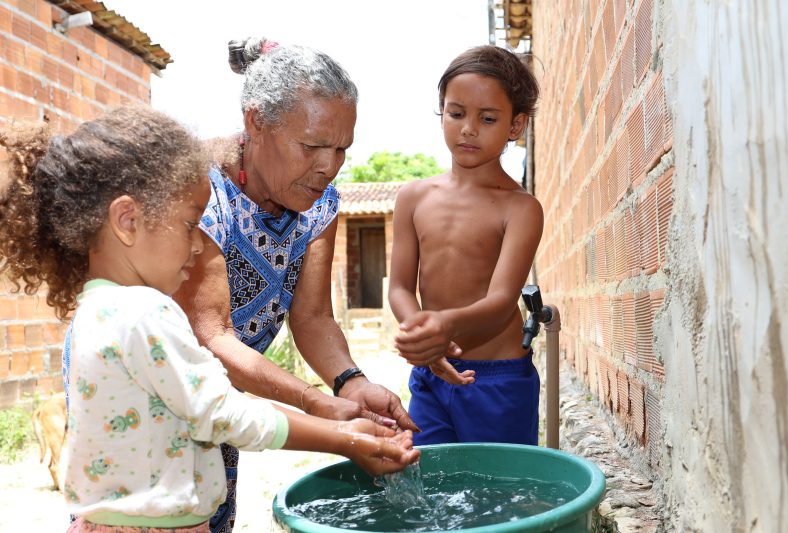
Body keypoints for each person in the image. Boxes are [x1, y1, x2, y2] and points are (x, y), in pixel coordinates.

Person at [0, 106, 419, 533]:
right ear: (128, 221)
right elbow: (222, 412)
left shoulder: (97, 309)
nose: (200, 245)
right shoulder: (146, 314)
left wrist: (331, 406)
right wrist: (343, 439)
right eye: (189, 226)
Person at [170, 38, 418, 532]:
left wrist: (353, 383)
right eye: (312, 146)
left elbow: (313, 317)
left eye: (342, 148)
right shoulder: (196, 192)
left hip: (229, 401)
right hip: (161, 394)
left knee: (212, 516)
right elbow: (211, 338)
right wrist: (315, 404)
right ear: (255, 121)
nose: (329, 166)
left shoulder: (317, 204)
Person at [388, 45, 544, 446]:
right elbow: (401, 287)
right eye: (456, 113)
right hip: (431, 374)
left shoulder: (520, 208)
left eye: (487, 118)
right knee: (431, 485)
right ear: (442, 112)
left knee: (502, 494)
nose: (468, 128)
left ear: (515, 125)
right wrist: (421, 334)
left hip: (497, 380)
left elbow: (500, 301)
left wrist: (444, 326)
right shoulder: (413, 197)